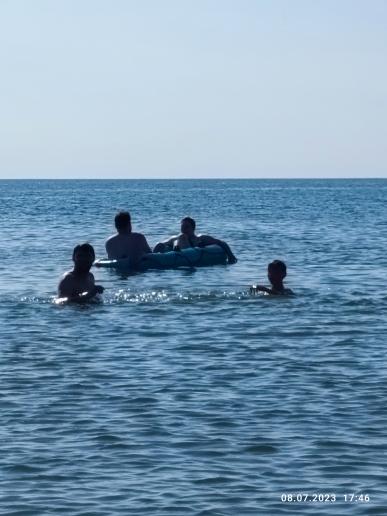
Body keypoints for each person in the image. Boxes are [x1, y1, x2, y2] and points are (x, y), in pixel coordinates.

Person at [153, 216, 237, 264]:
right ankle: (177, 249)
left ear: (193, 228)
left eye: (186, 227)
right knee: (181, 237)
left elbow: (221, 243)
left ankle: (178, 250)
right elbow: (159, 244)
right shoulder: (176, 238)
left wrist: (231, 256)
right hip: (179, 257)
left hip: (193, 259)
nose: (184, 229)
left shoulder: (201, 238)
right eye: (182, 227)